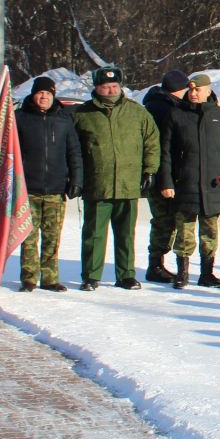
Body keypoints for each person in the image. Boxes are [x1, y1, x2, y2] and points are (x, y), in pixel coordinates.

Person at [73, 66, 161, 291]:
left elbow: (152, 142)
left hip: (128, 183)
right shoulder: (82, 115)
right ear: (96, 88)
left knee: (125, 234)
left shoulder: (137, 112)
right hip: (97, 184)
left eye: (114, 86)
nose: (111, 91)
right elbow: (72, 149)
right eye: (105, 87)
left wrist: (149, 171)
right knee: (94, 234)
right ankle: (91, 276)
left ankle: (126, 275)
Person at [156, 74, 220, 288]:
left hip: (213, 185)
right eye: (191, 89)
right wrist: (166, 182)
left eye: (198, 90)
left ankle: (207, 273)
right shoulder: (176, 115)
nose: (193, 93)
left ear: (208, 91)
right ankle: (182, 273)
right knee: (184, 231)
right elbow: (165, 152)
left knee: (209, 232)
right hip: (185, 183)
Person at [14, 75, 83, 291]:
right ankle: (29, 278)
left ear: (53, 96)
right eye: (40, 93)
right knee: (29, 236)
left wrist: (76, 179)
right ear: (33, 95)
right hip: (28, 189)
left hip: (55, 189)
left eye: (47, 93)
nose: (43, 97)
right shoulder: (20, 118)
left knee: (52, 236)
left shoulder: (64, 120)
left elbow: (74, 152)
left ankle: (50, 278)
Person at [142, 69, 189, 281]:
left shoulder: (152, 105)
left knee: (163, 219)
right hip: (164, 173)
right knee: (164, 220)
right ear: (179, 90)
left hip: (160, 172)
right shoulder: (166, 109)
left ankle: (157, 262)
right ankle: (155, 265)